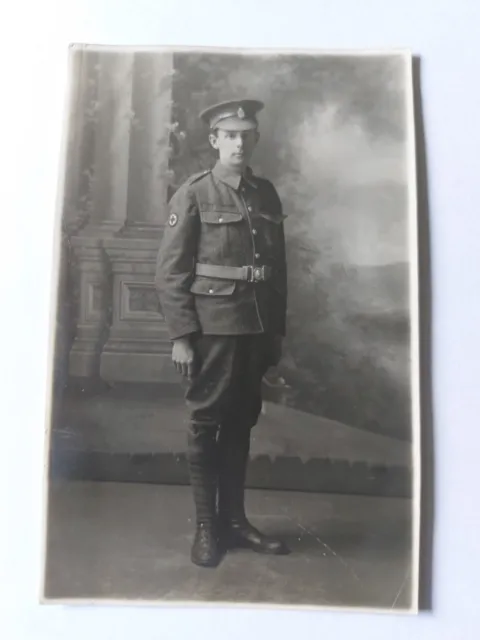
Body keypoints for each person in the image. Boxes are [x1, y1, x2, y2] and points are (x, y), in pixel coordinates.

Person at [155, 98, 289, 567]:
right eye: (228, 135)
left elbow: (277, 270)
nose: (237, 142)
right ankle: (207, 529)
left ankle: (234, 520)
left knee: (241, 421)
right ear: (214, 140)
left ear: (254, 139)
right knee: (206, 422)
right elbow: (171, 272)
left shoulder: (265, 194)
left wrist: (276, 332)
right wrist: (180, 336)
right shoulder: (193, 193)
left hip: (254, 329)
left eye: (245, 134)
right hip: (212, 330)